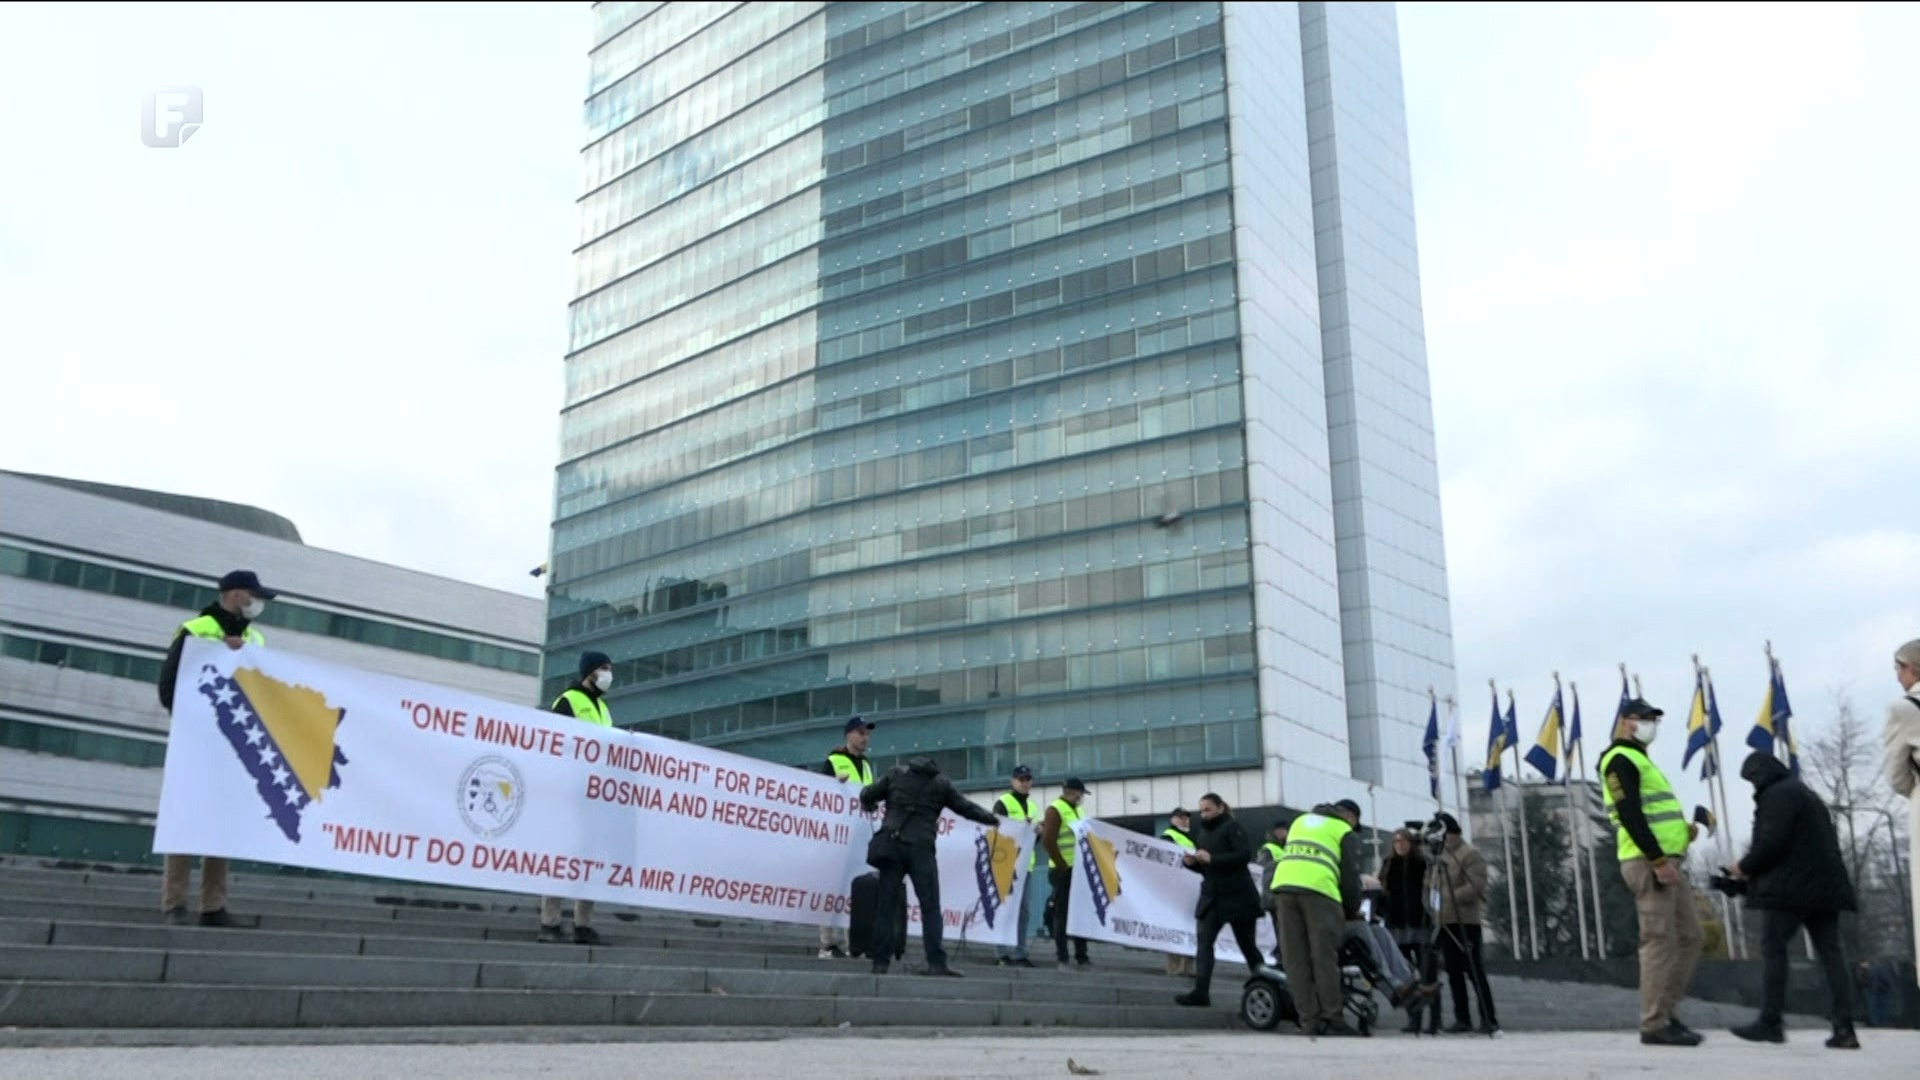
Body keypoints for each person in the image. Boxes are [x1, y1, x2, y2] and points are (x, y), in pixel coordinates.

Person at [154, 569, 276, 928]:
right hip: (196, 740)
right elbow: (168, 687)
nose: (259, 603)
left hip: (234, 746)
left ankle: (213, 905)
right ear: (236, 595)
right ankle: (174, 902)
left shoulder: (257, 640)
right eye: (255, 595)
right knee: (185, 817)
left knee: (221, 821)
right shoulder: (196, 631)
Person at [1726, 750, 1859, 1048]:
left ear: (1759, 774)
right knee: (1831, 954)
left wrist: (1744, 868)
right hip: (1825, 887)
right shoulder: (1805, 794)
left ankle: (1771, 1022)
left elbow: (1771, 842)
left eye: (1752, 779)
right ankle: (1844, 1027)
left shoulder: (1776, 795)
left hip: (1792, 890)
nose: (1752, 786)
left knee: (1773, 948)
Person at [1601, 698, 1705, 1047]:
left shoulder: (1641, 760)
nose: (1650, 725)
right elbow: (1629, 812)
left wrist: (1683, 833)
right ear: (1625, 722)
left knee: (1690, 936)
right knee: (1658, 940)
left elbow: (1653, 813)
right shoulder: (1619, 759)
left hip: (1667, 861)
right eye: (1644, 719)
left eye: (1653, 719)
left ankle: (1666, 1012)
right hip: (1649, 863)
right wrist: (1658, 861)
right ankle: (1654, 1023)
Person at [858, 755, 999, 976]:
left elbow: (867, 794)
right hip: (921, 849)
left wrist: (870, 804)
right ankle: (936, 962)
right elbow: (965, 808)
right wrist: (992, 819)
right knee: (930, 907)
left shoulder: (896, 774)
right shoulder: (941, 783)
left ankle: (880, 963)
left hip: (892, 846)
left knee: (886, 906)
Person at [538, 651, 616, 945]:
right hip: (570, 794)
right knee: (560, 855)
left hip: (596, 798)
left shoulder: (604, 710)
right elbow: (557, 745)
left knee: (590, 859)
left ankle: (583, 923)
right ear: (591, 672)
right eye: (605, 668)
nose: (609, 674)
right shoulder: (567, 701)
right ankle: (550, 922)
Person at [1272, 798, 1365, 1037]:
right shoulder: (1344, 831)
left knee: (1295, 959)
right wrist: (1352, 908)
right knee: (1323, 957)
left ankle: (1308, 1021)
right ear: (1350, 818)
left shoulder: (1300, 821)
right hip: (1319, 892)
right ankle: (1333, 1019)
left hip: (1284, 888)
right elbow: (1350, 876)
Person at [1174, 794, 1268, 1006]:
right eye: (1202, 810)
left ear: (1220, 808)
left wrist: (1213, 859)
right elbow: (1208, 868)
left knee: (1248, 947)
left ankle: (1268, 987)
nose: (1203, 814)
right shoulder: (1203, 831)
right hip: (1213, 896)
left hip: (1237, 896)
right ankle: (1201, 991)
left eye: (1207, 809)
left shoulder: (1232, 827)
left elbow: (1243, 855)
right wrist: (1193, 863)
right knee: (1204, 943)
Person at [1428, 812, 1498, 1035]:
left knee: (1474, 971)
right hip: (1444, 921)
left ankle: (1489, 1018)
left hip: (1465, 921)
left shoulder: (1469, 855)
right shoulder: (1441, 856)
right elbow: (1433, 884)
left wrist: (1448, 896)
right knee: (1453, 972)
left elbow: (1475, 885)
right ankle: (1462, 1018)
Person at [818, 716, 876, 960]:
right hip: (839, 835)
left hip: (861, 835)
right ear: (849, 735)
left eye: (867, 733)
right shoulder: (834, 760)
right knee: (834, 887)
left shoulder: (866, 765)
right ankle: (828, 943)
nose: (866, 738)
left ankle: (855, 943)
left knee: (858, 891)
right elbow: (820, 793)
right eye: (861, 733)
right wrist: (835, 785)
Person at [1881, 639, 1920, 968]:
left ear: (1911, 668)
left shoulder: (1904, 709)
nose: (1897, 676)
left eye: (1898, 668)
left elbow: (1896, 774)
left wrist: (1913, 791)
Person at [1381, 828, 1440, 1035]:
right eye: (1396, 841)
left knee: (1428, 973)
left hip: (1420, 922)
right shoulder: (1389, 865)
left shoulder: (1422, 863)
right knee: (1406, 975)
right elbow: (1383, 891)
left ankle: (1434, 1021)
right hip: (1398, 924)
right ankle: (1413, 1018)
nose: (1400, 845)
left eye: (1403, 841)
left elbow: (1432, 888)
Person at [1040, 777, 1093, 970]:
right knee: (1062, 913)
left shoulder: (1078, 811)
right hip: (1063, 869)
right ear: (1073, 791)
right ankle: (1062, 956)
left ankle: (1082, 955)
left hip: (1077, 869)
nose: (1081, 797)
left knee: (1080, 913)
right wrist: (1062, 864)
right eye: (1080, 793)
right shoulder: (1055, 810)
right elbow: (1048, 840)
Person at [993, 764, 1041, 968]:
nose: (1025, 783)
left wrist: (1036, 833)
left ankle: (1020, 952)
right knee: (1005, 908)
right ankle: (1002, 952)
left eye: (1028, 779)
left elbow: (1032, 841)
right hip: (1007, 864)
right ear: (1013, 781)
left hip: (1025, 865)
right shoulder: (1003, 802)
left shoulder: (1032, 807)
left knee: (1024, 911)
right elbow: (997, 831)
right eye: (1021, 779)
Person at [1162, 808, 1198, 977]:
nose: (1186, 821)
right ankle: (1175, 966)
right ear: (1173, 819)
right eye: (1182, 818)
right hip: (1175, 889)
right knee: (1175, 928)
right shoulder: (1168, 835)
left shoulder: (1190, 838)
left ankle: (1187, 966)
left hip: (1188, 889)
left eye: (1187, 818)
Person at [1255, 821, 1288, 966]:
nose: (1284, 833)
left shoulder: (1288, 848)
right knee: (1281, 931)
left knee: (1285, 932)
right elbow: (1261, 871)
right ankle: (1280, 958)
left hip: (1285, 894)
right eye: (1281, 830)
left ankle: (1281, 956)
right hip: (1275, 895)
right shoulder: (1269, 849)